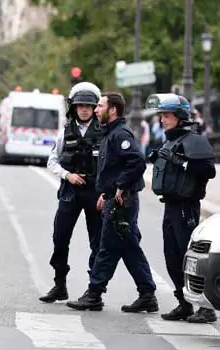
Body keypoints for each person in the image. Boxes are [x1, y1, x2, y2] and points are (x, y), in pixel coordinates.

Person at [66, 92, 158, 312]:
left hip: (122, 202)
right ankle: (147, 294)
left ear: (113, 109)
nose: (96, 110)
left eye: (100, 106)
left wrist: (120, 186)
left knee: (107, 247)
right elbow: (114, 169)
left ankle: (94, 294)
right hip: (115, 199)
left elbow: (136, 163)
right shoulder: (110, 133)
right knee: (128, 247)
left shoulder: (120, 134)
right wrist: (106, 193)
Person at [147, 93, 217, 323]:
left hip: (186, 207)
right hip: (170, 206)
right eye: (161, 115)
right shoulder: (170, 140)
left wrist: (181, 162)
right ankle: (184, 303)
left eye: (167, 115)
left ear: (179, 116)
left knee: (191, 259)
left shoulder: (194, 140)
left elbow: (209, 171)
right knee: (171, 257)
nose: (162, 120)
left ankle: (205, 308)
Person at [40, 82, 105, 303]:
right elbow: (52, 160)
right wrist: (67, 175)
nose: (84, 110)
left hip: (95, 193)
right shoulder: (65, 131)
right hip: (70, 191)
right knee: (60, 238)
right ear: (74, 108)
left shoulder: (104, 132)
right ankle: (59, 285)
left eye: (88, 106)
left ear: (95, 107)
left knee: (96, 241)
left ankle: (94, 291)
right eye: (80, 106)